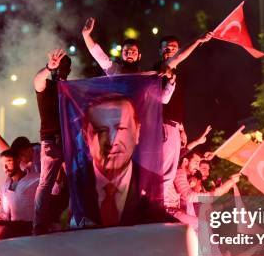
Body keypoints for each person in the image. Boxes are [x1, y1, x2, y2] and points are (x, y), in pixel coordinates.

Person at [76, 94, 173, 227]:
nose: (112, 141)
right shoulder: (72, 184)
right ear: (85, 136)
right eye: (100, 131)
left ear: (137, 132)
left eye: (121, 129)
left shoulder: (153, 183)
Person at [152, 35, 212, 208]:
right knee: (163, 170)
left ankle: (163, 205)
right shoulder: (161, 69)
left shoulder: (176, 73)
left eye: (173, 47)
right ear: (160, 51)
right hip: (161, 126)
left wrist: (181, 127)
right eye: (166, 47)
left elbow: (176, 106)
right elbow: (163, 102)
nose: (170, 50)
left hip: (173, 127)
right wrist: (197, 41)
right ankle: (159, 206)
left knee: (169, 170)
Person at [32, 49, 71, 234]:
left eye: (65, 67)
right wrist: (48, 67)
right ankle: (39, 225)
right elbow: (37, 81)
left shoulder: (72, 89)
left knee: (76, 181)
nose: (61, 70)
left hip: (69, 141)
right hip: (50, 140)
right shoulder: (46, 85)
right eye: (59, 66)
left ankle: (73, 220)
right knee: (46, 184)